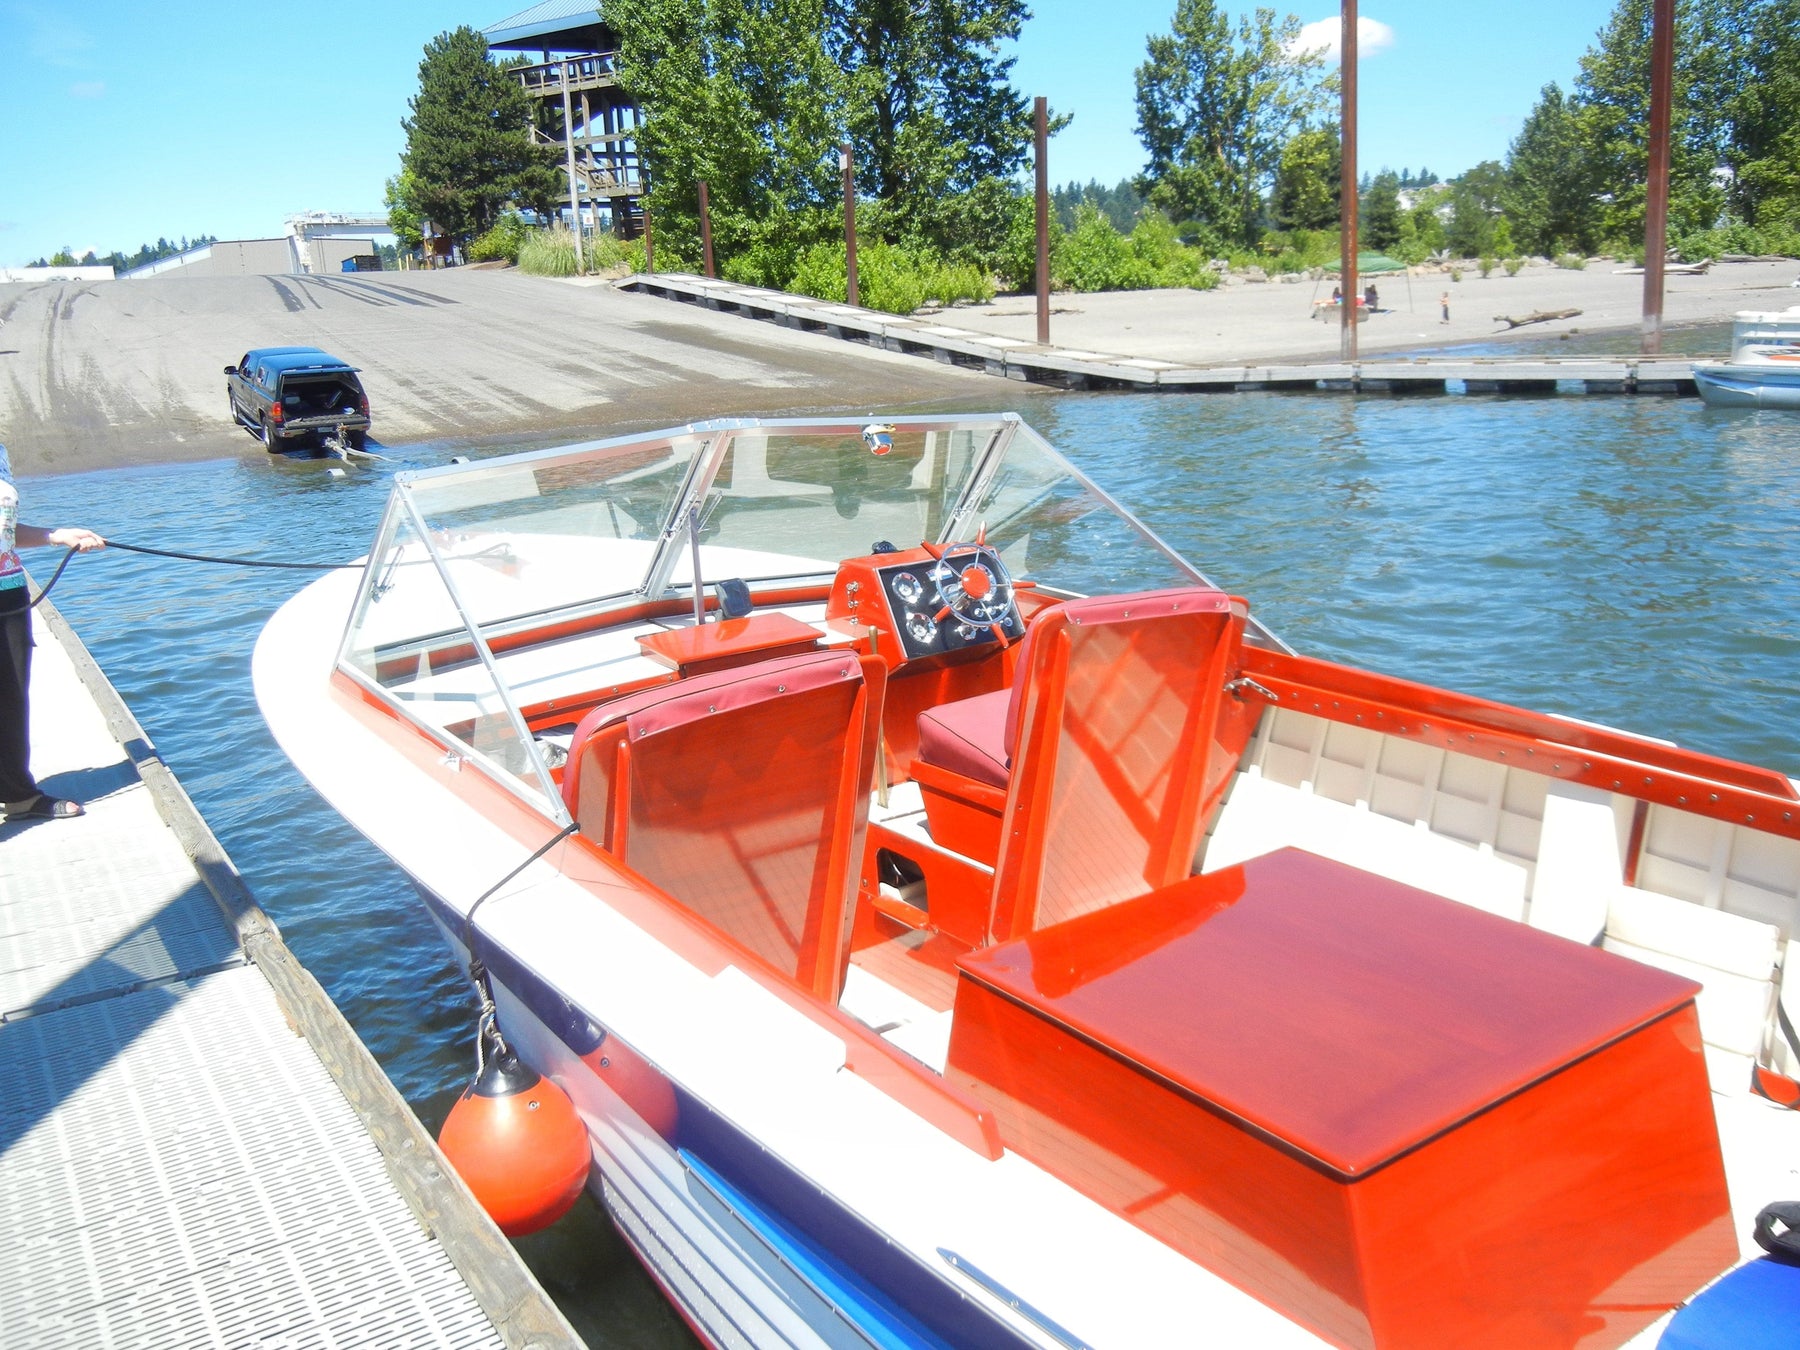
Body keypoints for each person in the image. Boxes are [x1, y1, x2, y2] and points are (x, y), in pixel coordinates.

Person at [0, 442, 106, 821]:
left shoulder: (0, 449)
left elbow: (5, 532)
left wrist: (58, 535)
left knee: (10, 699)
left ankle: (17, 796)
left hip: (7, 590)